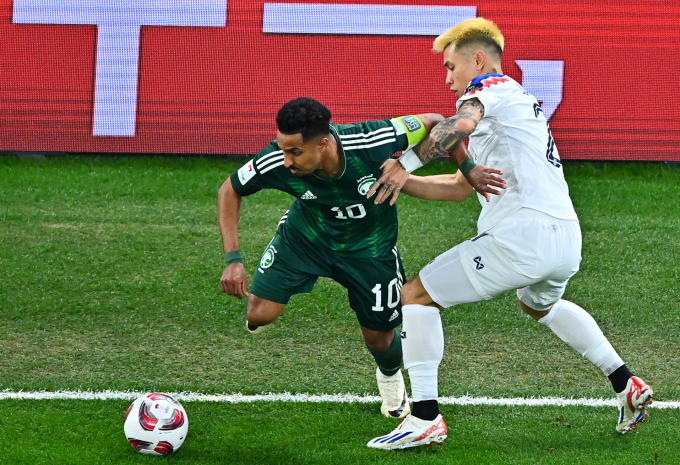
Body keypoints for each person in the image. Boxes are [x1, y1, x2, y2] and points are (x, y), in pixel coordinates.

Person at [366, 18, 654, 450]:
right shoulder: (517, 107)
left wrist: (403, 162)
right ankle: (624, 381)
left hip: (523, 237)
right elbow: (462, 188)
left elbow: (456, 127)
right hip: (563, 239)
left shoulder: (489, 90)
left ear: (477, 60)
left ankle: (424, 417)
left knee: (415, 297)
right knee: (540, 305)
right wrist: (400, 184)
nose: (447, 80)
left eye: (450, 67)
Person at [218, 97, 503, 419]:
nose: (286, 161)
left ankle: (391, 376)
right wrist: (233, 258)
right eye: (283, 149)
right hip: (305, 240)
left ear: (323, 144)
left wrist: (466, 167)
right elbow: (230, 189)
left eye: (295, 151)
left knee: (380, 338)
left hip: (371, 251)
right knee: (259, 314)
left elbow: (438, 122)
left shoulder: (371, 139)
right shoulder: (276, 160)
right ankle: (265, 305)